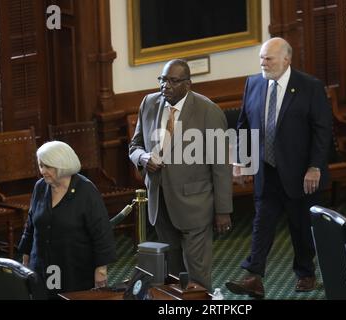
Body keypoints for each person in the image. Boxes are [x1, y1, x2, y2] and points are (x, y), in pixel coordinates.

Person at [225, 37, 332, 298]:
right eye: (261, 58)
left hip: (301, 172)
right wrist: (240, 159)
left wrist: (315, 167)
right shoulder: (253, 83)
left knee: (300, 226)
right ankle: (254, 276)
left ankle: (305, 273)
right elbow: (243, 126)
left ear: (287, 59)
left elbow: (322, 130)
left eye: (268, 58)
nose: (263, 62)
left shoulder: (309, 86)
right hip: (266, 170)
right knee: (262, 223)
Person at [129, 59, 233, 291]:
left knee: (197, 275)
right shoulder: (149, 103)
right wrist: (144, 158)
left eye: (173, 81)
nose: (165, 86)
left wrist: (223, 210)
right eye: (162, 80)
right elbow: (134, 146)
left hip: (195, 203)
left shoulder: (208, 111)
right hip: (160, 200)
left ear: (187, 84)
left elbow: (221, 166)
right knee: (172, 274)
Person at [18, 141, 117, 297]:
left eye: (47, 166)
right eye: (41, 165)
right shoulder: (40, 187)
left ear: (62, 164)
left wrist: (101, 271)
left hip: (74, 269)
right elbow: (31, 225)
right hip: (43, 266)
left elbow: (101, 233)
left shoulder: (86, 190)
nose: (43, 171)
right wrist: (25, 260)